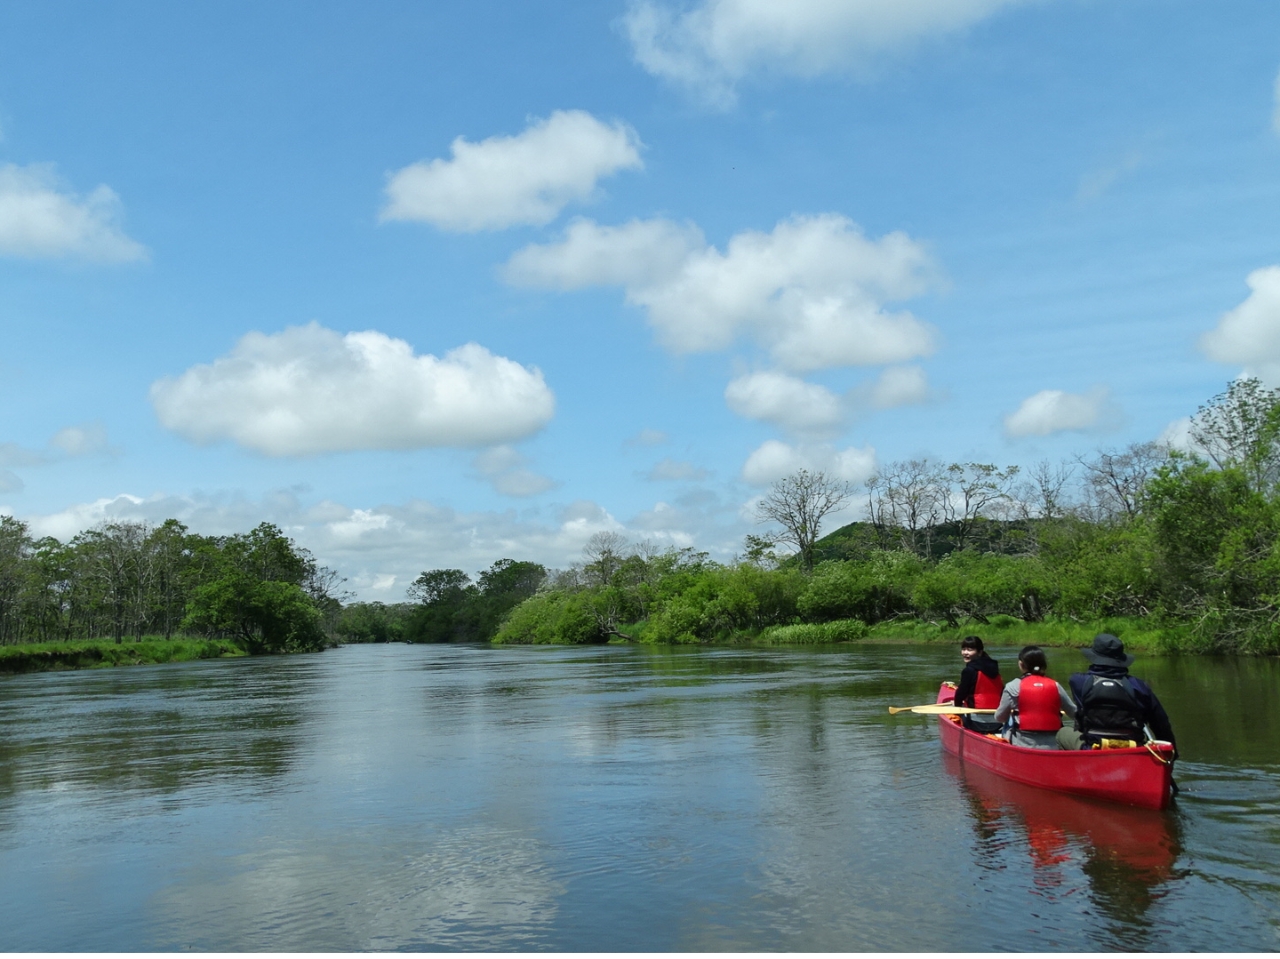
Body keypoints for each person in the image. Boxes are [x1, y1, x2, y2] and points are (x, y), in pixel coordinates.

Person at [1056, 633, 1177, 752]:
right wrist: (1172, 753)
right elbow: (1161, 723)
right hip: (1133, 746)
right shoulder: (1139, 686)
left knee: (1061, 733)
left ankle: (1077, 767)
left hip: (1093, 745)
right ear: (1120, 658)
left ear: (1094, 656)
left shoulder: (1077, 681)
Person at [993, 645, 1076, 749]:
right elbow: (1074, 713)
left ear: (1021, 664)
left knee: (1009, 721)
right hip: (1053, 744)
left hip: (1022, 744)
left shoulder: (1012, 686)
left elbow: (1000, 717)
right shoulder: (1055, 686)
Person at [953, 635, 1003, 733]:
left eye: (970, 650)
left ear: (979, 652)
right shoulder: (995, 668)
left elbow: (960, 694)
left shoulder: (969, 670)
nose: (965, 653)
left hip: (977, 723)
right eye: (963, 649)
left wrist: (956, 710)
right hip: (998, 722)